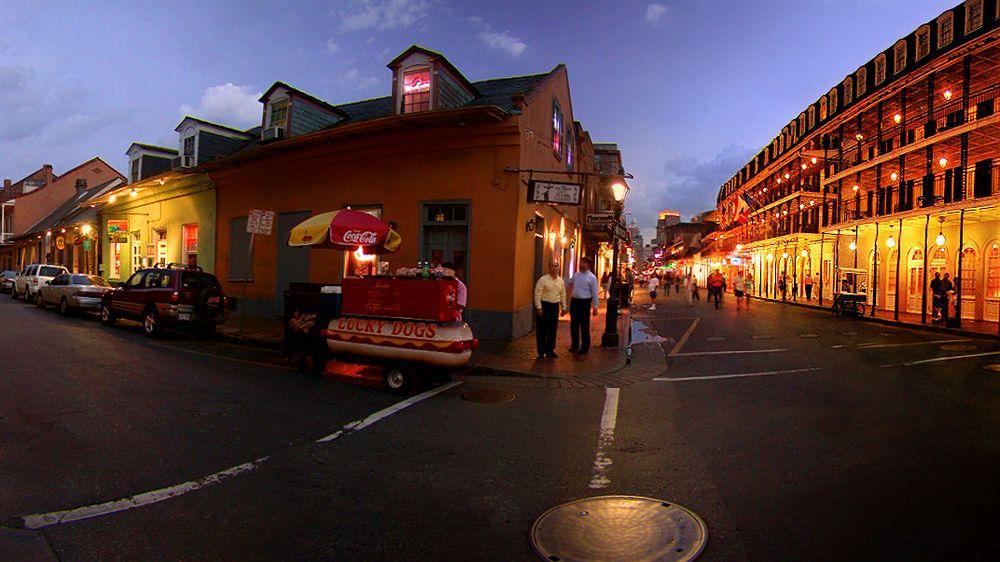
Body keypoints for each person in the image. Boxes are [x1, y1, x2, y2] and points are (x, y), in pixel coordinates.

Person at [534, 260, 566, 359]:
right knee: (541, 330)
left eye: (556, 266)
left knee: (552, 330)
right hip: (544, 306)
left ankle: (550, 350)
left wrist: (564, 307)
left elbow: (562, 294)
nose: (554, 268)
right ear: (549, 267)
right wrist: (539, 307)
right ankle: (541, 351)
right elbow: (537, 294)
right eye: (552, 266)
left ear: (558, 267)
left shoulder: (560, 281)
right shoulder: (543, 280)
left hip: (554, 307)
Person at [568, 256, 600, 355]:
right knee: (574, 325)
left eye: (582, 263)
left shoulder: (592, 277)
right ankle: (574, 345)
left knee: (584, 326)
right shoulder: (576, 275)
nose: (580, 265)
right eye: (580, 263)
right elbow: (570, 283)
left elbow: (595, 292)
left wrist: (595, 306)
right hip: (575, 302)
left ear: (588, 264)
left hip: (585, 303)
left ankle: (585, 347)